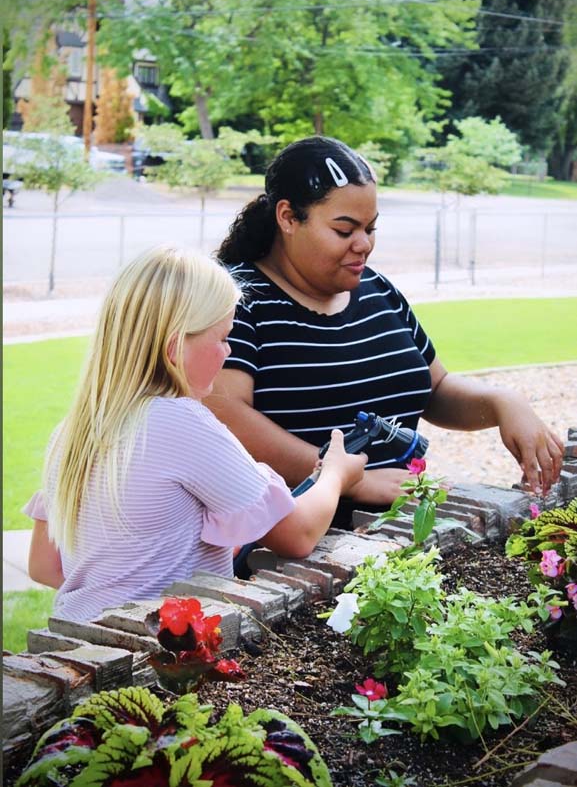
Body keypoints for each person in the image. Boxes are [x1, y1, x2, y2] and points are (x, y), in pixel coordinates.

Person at [206, 136, 564, 525]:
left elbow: (435, 388)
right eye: (344, 230)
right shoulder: (236, 299)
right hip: (296, 547)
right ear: (288, 217)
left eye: (370, 228)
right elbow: (223, 415)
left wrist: (504, 402)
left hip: (402, 535)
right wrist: (347, 479)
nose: (364, 245)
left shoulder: (378, 289)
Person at [23, 245, 366, 621]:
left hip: (78, 644)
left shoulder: (72, 431)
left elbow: (45, 565)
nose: (228, 351)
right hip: (156, 657)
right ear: (174, 349)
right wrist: (335, 474)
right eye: (222, 337)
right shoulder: (181, 421)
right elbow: (297, 534)